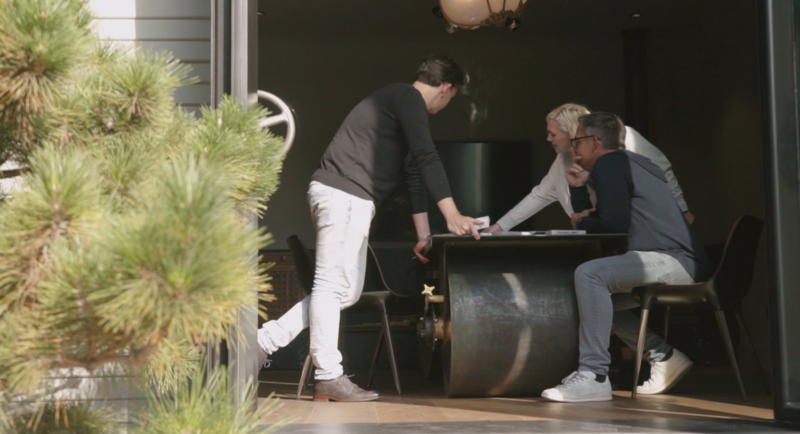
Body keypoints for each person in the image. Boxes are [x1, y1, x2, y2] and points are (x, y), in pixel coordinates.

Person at [256, 55, 483, 402]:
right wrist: (452, 214)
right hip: (345, 194)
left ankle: (262, 342)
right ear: (446, 88)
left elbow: (414, 174)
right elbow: (427, 156)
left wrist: (424, 235)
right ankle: (328, 375)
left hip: (345, 196)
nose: (447, 103)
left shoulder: (400, 105)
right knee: (333, 287)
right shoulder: (408, 98)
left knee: (344, 292)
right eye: (451, 98)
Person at [540, 112, 712, 402]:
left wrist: (581, 222)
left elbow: (611, 225)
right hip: (682, 260)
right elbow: (602, 219)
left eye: (578, 141)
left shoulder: (610, 163)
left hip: (674, 259)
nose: (573, 149)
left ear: (595, 142)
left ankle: (594, 375)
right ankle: (664, 356)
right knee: (593, 300)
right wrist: (579, 189)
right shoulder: (635, 163)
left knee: (589, 274)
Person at [484, 103, 694, 234]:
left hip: (642, 228)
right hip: (603, 231)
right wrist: (498, 228)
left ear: (573, 132)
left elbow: (661, 167)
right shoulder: (563, 160)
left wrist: (681, 209)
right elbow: (539, 195)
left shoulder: (620, 139)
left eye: (553, 134)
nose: (548, 139)